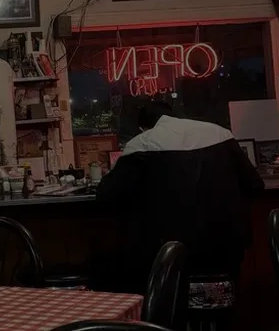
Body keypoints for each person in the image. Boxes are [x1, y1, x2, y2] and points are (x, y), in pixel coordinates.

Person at [92, 101, 264, 295]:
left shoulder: (142, 143)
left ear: (143, 127)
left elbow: (106, 196)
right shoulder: (220, 133)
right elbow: (255, 184)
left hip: (167, 255)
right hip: (227, 248)